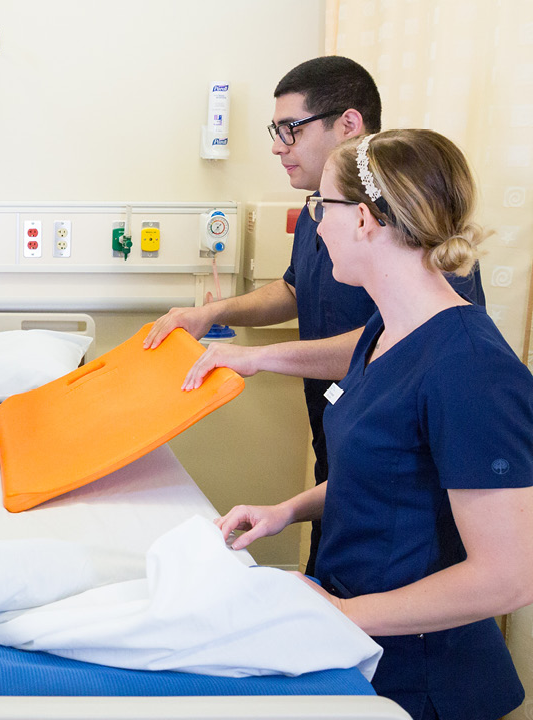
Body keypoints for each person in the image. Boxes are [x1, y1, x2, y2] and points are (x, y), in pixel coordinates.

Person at [215, 129, 533, 720]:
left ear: (363, 219)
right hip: (362, 648)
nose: (316, 225)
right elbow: (386, 471)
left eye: (322, 207)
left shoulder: (471, 368)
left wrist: (339, 615)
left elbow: (508, 579)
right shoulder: (384, 334)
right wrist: (286, 510)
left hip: (429, 682)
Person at [143, 56, 484, 575]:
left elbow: (398, 348)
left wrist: (257, 359)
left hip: (404, 506)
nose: (278, 146)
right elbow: (296, 288)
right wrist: (208, 313)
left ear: (347, 124)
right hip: (347, 435)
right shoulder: (320, 211)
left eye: (289, 129)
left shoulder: (416, 235)